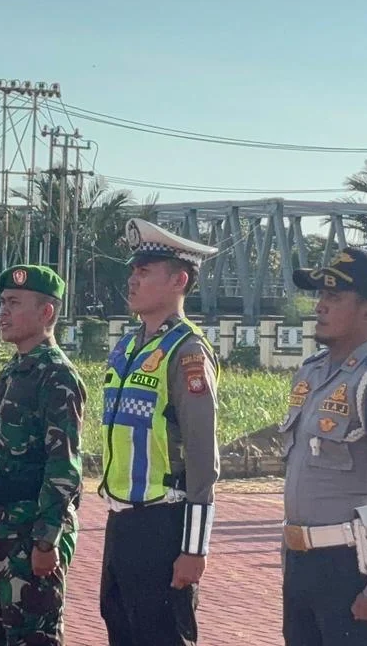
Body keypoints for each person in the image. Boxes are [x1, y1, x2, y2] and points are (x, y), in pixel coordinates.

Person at [281, 246, 367, 646]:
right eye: (320, 295)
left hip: (348, 565)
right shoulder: (311, 372)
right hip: (300, 563)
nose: (320, 306)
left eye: (334, 297)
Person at [98, 218, 221, 646]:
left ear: (178, 280)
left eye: (145, 271)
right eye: (133, 271)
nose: (132, 280)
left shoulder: (187, 351)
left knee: (161, 634)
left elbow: (203, 456)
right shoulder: (128, 346)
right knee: (121, 628)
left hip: (164, 522)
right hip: (121, 520)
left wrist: (194, 547)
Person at [0, 265, 87, 646]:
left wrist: (47, 540)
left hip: (32, 536)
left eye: (14, 303)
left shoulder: (57, 376)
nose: (2, 312)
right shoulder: (14, 370)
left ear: (46, 312)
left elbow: (64, 465)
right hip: (0, 532)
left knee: (35, 638)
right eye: (2, 303)